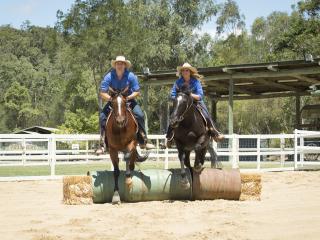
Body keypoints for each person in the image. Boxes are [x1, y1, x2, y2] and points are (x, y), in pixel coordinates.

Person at [96, 56, 154, 154]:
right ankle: (102, 144)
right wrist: (111, 99)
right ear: (115, 65)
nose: (120, 65)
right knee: (102, 117)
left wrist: (127, 98)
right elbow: (102, 92)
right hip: (114, 101)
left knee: (140, 115)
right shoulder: (109, 76)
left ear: (125, 65)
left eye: (122, 63)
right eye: (118, 63)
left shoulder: (131, 76)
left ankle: (143, 139)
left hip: (129, 100)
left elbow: (137, 92)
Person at [166, 62, 224, 147]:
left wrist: (189, 95)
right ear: (181, 72)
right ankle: (169, 137)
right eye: (183, 70)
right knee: (173, 114)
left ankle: (215, 132)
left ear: (190, 72)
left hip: (196, 102)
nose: (185, 72)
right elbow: (172, 94)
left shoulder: (196, 82)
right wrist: (180, 97)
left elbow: (200, 96)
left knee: (206, 114)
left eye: (187, 70)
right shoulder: (178, 82)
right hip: (182, 103)